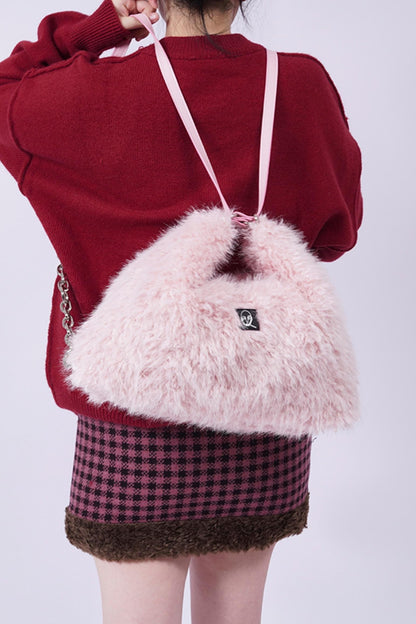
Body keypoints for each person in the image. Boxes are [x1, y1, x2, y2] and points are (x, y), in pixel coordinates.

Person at [0, 1, 363, 623]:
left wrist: (101, 27)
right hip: (263, 408)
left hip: (131, 425)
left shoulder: (81, 99)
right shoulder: (301, 84)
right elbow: (337, 232)